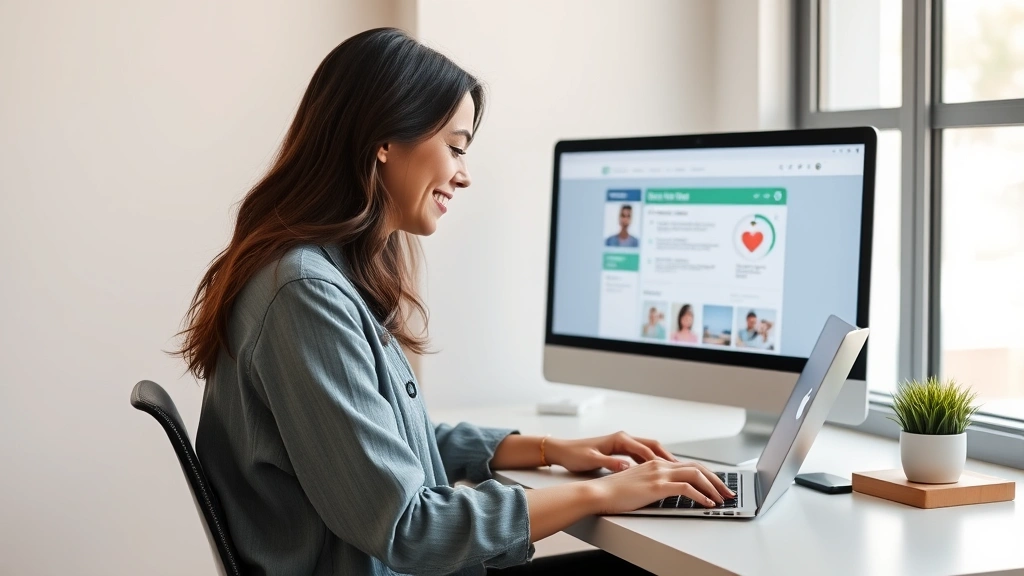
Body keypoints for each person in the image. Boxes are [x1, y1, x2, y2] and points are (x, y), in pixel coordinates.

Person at [173, 28, 732, 576]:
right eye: (456, 147)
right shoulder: (305, 296)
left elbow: (385, 444)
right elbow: (410, 528)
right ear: (385, 140)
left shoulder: (306, 273)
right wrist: (602, 492)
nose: (463, 176)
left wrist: (551, 449)